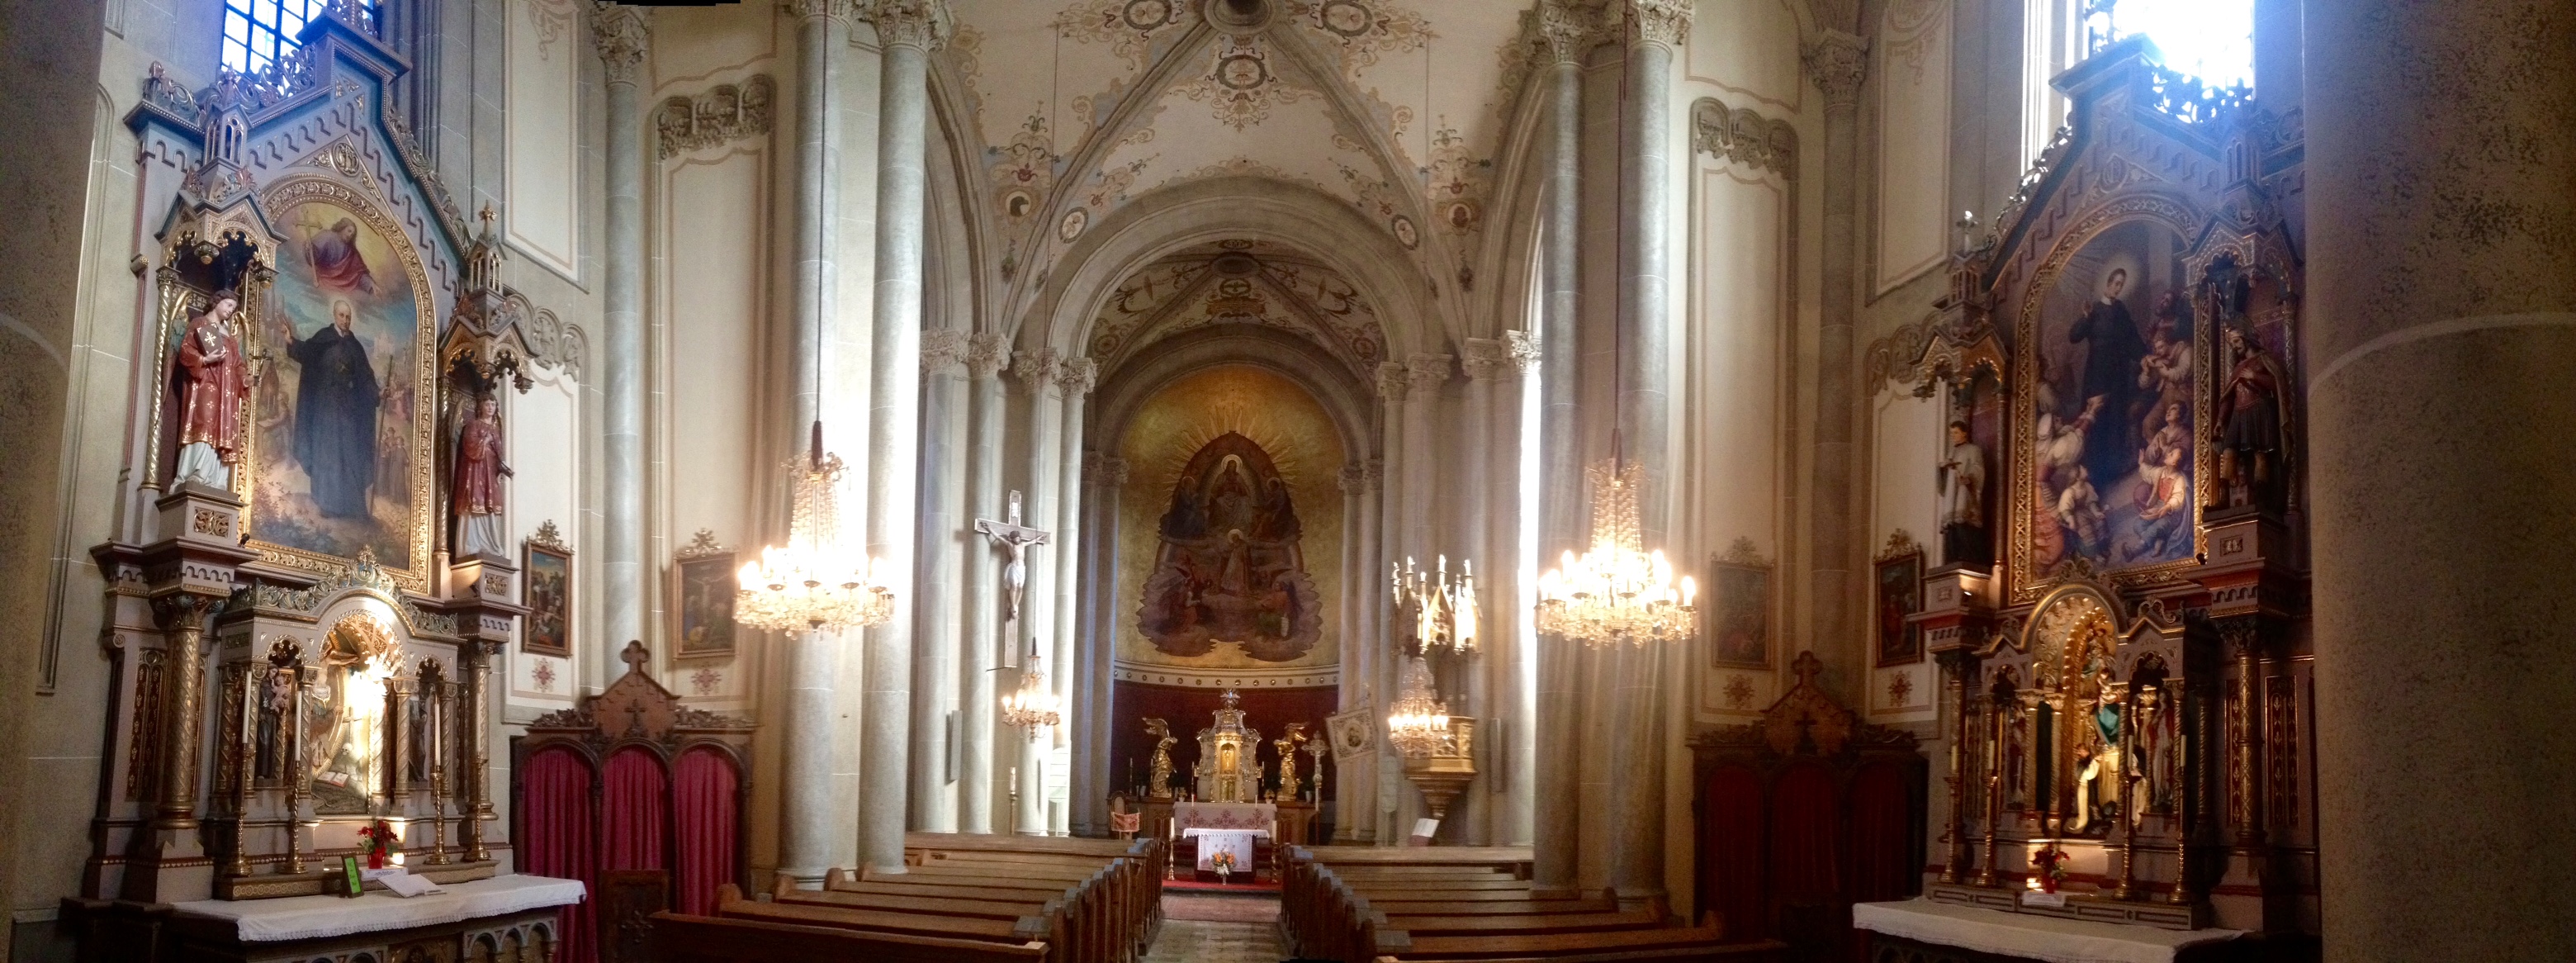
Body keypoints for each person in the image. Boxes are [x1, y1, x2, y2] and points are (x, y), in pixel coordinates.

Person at [282, 300, 381, 519]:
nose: (345, 321)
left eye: (348, 317)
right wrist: (290, 341)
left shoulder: (355, 346)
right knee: (326, 454)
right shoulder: (323, 338)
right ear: (335, 315)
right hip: (324, 409)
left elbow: (365, 377)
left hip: (348, 411)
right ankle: (326, 503)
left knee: (349, 454)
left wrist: (377, 393)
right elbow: (307, 352)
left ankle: (350, 505)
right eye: (342, 316)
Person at [2068, 266, 2148, 486]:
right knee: (2097, 419)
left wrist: (2143, 357)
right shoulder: (2093, 310)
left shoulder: (2121, 310)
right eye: (2115, 283)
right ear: (2108, 284)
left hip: (2118, 374)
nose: (2118, 288)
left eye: (2121, 284)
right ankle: (2094, 470)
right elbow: (2074, 336)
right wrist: (2085, 318)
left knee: (2116, 417)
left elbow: (2132, 337)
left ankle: (2114, 466)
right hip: (2097, 374)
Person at [172, 290, 250, 488]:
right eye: (228, 305)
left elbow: (238, 366)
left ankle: (216, 480)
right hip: (206, 384)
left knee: (221, 427)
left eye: (233, 308)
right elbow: (185, 351)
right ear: (216, 302)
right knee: (205, 421)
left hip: (226, 392)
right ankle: (197, 472)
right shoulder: (200, 324)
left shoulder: (230, 338)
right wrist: (204, 359)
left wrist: (245, 380)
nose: (230, 310)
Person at [2214, 323, 2285, 509]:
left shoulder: (2265, 360)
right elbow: (2229, 396)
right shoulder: (2238, 367)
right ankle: (2224, 500)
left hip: (2259, 409)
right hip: (2238, 412)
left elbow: (2278, 386)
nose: (2235, 346)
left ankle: (2262, 499)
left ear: (2247, 338)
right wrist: (2221, 421)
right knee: (2229, 452)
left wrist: (2255, 376)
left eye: (2237, 341)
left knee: (2260, 454)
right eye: (2232, 343)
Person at [452, 396, 512, 558]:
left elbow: (498, 454)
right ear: (481, 406)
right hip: (475, 472)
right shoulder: (473, 425)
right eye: (487, 404)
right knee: (475, 502)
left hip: (490, 475)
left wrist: (503, 466)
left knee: (492, 505)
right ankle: (471, 544)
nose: (491, 407)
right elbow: (470, 448)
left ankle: (490, 544)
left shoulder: (496, 430)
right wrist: (485, 441)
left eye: (493, 404)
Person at [1936, 420, 1989, 567]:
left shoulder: (1973, 449)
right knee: (1951, 527)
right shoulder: (1951, 452)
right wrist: (1942, 469)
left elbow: (1978, 468)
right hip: (1951, 497)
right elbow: (1943, 483)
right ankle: (1954, 557)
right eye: (1951, 433)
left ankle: (1967, 556)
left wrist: (1968, 478)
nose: (1953, 436)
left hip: (1964, 494)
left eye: (1956, 433)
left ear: (1964, 433)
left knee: (1964, 526)